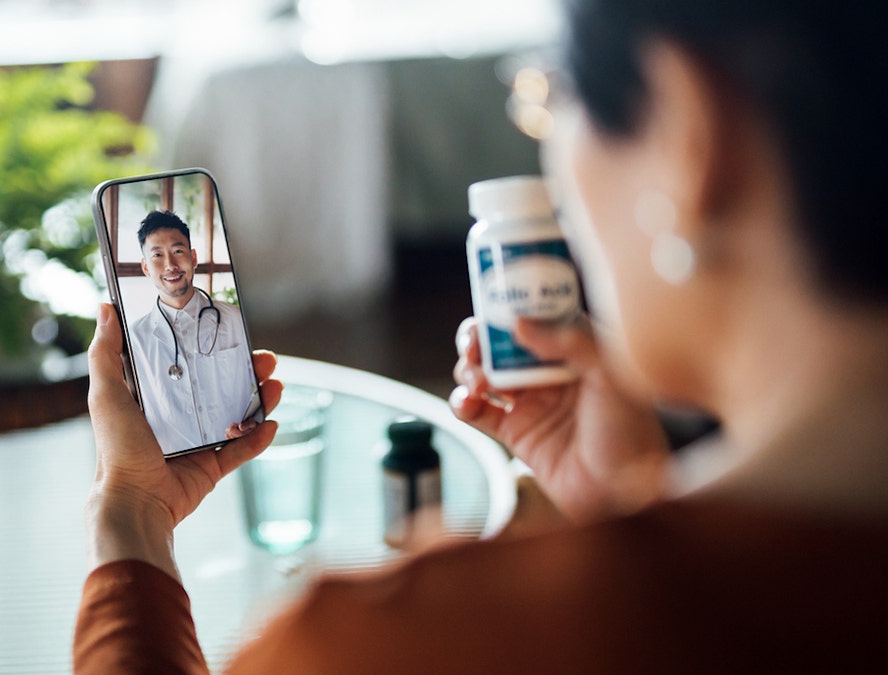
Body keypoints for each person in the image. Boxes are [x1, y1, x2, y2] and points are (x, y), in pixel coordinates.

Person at [75, 0, 888, 671]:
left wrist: (133, 515)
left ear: (688, 136)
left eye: (551, 94)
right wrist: (628, 502)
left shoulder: (392, 644)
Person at [127, 210, 260, 454]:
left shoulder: (238, 320)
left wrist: (255, 422)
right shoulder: (132, 341)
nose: (170, 265)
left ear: (194, 257)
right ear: (145, 267)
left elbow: (261, 388)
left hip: (238, 455)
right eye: (157, 255)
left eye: (178, 251)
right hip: (174, 471)